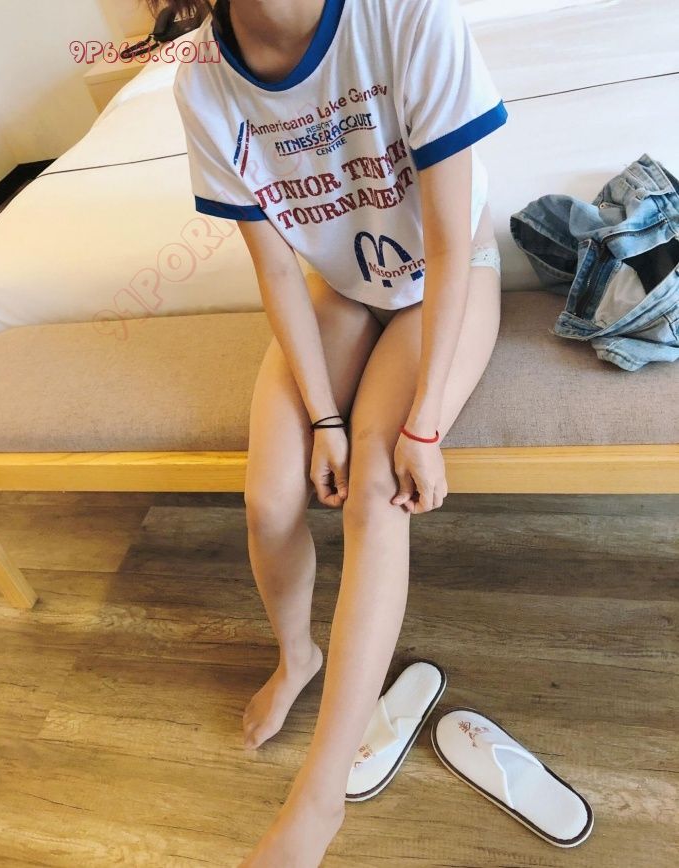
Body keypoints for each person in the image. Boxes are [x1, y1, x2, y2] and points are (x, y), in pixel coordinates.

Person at [163, 0, 508, 863]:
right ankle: (297, 658)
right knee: (268, 495)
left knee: (375, 498)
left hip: (446, 278)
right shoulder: (202, 78)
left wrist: (424, 424)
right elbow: (277, 265)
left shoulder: (408, 15)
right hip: (341, 286)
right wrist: (324, 417)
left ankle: (318, 803)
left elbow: (447, 236)